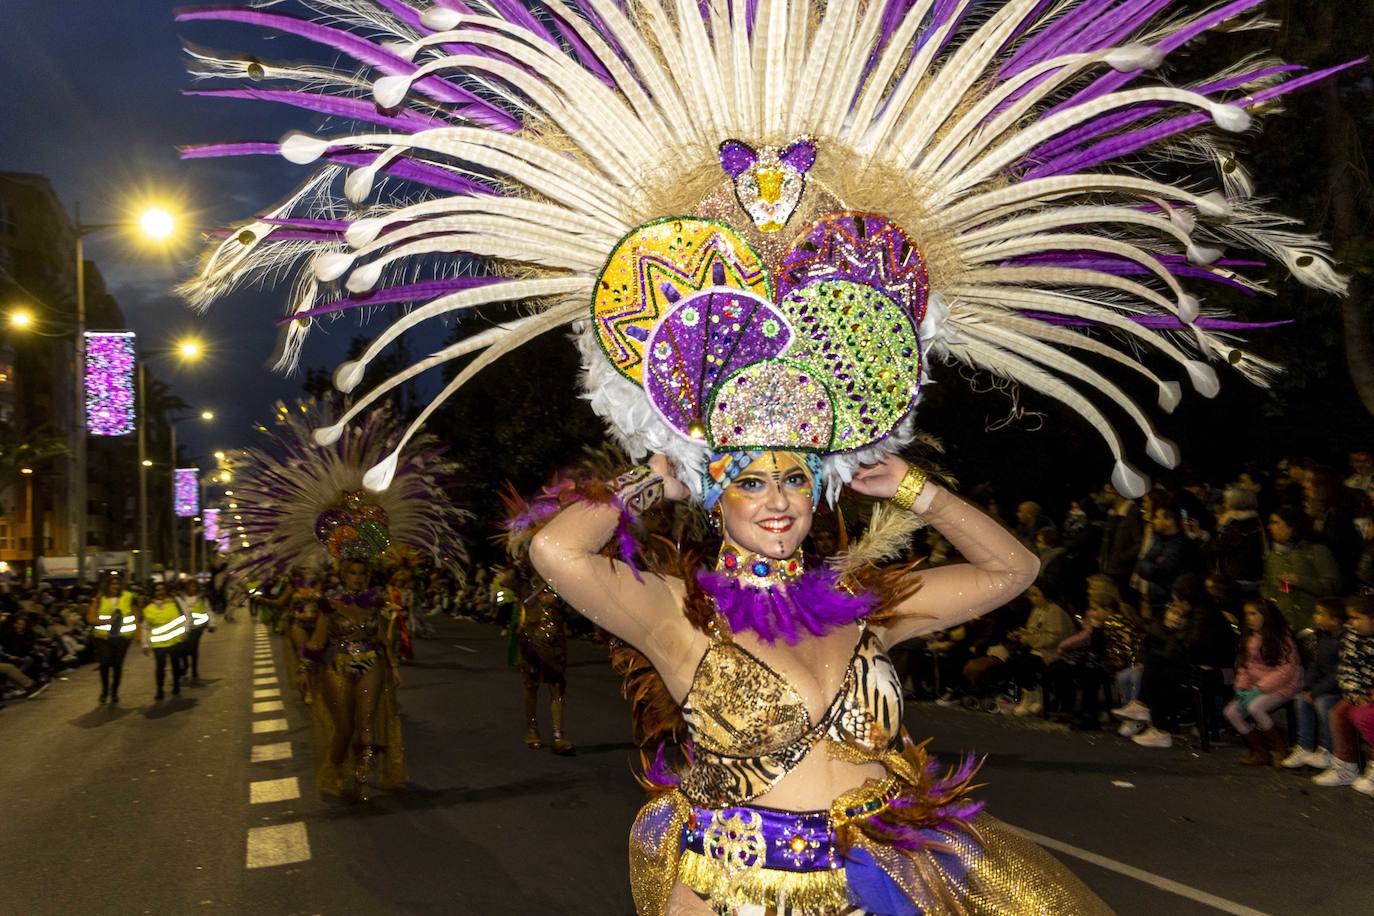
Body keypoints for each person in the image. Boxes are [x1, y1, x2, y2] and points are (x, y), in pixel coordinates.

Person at [186, 0, 1348, 908]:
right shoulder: (673, 614)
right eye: (751, 478)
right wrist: (658, 466)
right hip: (741, 878)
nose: (779, 492)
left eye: (796, 472)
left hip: (900, 867)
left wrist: (920, 486)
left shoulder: (870, 601)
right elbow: (556, 551)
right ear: (721, 495)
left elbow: (1010, 576)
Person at [304, 558, 405, 799]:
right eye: (352, 573)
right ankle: (335, 768)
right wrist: (304, 667)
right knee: (345, 727)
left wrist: (393, 664)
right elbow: (317, 640)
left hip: (370, 661)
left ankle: (362, 775)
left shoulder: (375, 604)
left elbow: (381, 637)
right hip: (338, 663)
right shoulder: (329, 605)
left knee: (367, 721)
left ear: (368, 576)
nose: (358, 577)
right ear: (343, 575)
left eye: (362, 573)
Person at [1115, 574, 1237, 749]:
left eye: (1177, 601)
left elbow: (1192, 646)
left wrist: (1172, 636)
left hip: (1214, 671)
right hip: (1202, 665)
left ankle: (1152, 718)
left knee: (1158, 668)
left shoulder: (1202, 615)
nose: (1176, 606)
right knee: (1156, 665)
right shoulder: (1200, 611)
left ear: (1186, 600)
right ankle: (1149, 716)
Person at [1223, 599, 1302, 766]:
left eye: (1253, 614)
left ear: (1266, 616)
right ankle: (1259, 750)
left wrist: (1260, 689)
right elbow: (1245, 666)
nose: (1248, 618)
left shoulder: (1282, 637)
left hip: (1283, 685)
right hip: (1257, 686)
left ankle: (1279, 749)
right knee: (1231, 712)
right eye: (1247, 614)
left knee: (1255, 707)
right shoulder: (1249, 638)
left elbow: (1287, 669)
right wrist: (1241, 687)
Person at [1312, 596, 1374, 792]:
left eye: (1357, 618)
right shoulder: (1352, 636)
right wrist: (1356, 693)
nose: (1353, 623)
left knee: (1367, 718)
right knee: (1338, 713)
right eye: (1351, 618)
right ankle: (1346, 767)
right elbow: (1347, 670)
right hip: (1361, 692)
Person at [1281, 597, 1345, 770]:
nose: (1315, 617)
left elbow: (1338, 674)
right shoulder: (1321, 636)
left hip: (1339, 688)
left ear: (1335, 620)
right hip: (1323, 685)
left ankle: (1328, 749)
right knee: (1300, 699)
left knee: (1323, 704)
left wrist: (1315, 692)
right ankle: (1305, 746)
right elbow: (1315, 665)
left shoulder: (1344, 640)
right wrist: (1306, 687)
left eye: (1320, 614)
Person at [517, 583, 574, 754]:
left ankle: (558, 736)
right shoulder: (526, 582)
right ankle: (532, 729)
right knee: (531, 687)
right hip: (532, 645)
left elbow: (569, 610)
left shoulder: (558, 581)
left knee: (557, 689)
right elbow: (506, 581)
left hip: (554, 646)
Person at [1262, 508, 1341, 630]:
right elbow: (1266, 587)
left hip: (1313, 627)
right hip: (1285, 628)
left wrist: (1301, 581)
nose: (1269, 527)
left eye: (1275, 522)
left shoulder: (1316, 551)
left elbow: (1332, 586)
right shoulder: (1273, 556)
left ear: (1291, 526)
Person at [1008, 585, 1074, 717]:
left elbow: (1054, 637)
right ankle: (1029, 695)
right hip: (1037, 649)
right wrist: (1021, 634)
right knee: (1015, 660)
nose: (1032, 599)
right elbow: (1033, 630)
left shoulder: (1055, 611)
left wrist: (1029, 639)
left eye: (1036, 595)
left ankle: (1036, 696)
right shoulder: (1037, 610)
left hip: (1053, 652)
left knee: (1027, 662)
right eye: (1031, 595)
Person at [87, 575, 138, 705]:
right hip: (103, 637)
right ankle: (105, 690)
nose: (115, 586)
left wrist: (138, 635)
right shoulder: (99, 598)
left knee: (117, 666)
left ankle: (114, 693)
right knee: (104, 663)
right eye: (112, 584)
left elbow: (136, 614)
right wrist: (107, 621)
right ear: (107, 585)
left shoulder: (128, 596)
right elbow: (90, 618)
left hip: (122, 638)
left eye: (117, 584)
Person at [141, 582, 188, 700]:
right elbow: (145, 627)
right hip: (159, 643)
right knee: (160, 667)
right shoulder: (148, 608)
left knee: (175, 665)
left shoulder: (174, 602)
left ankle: (176, 685)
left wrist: (185, 631)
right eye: (157, 590)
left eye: (162, 590)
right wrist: (145, 644)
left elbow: (185, 617)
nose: (160, 592)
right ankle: (159, 689)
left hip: (175, 640)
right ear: (153, 592)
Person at [176, 580, 214, 681]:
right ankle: (185, 665)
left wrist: (212, 623)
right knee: (182, 648)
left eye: (194, 586)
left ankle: (194, 671)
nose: (193, 588)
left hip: (198, 627)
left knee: (193, 647)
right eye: (190, 586)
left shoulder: (202, 598)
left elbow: (208, 610)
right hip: (184, 626)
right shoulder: (180, 598)